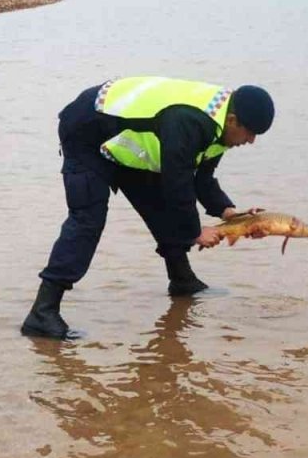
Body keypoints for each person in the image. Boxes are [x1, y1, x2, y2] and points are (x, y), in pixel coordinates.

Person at [22, 76, 274, 340]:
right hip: (87, 130)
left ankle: (182, 280)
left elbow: (201, 180)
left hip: (125, 140)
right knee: (88, 220)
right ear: (233, 120)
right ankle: (42, 312)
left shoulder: (221, 125)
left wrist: (231, 215)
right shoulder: (190, 121)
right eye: (250, 133)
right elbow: (178, 182)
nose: (251, 141)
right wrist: (195, 230)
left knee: (160, 203)